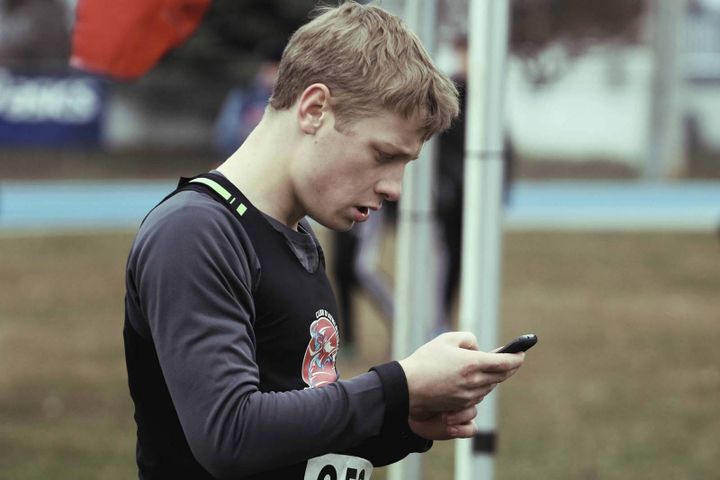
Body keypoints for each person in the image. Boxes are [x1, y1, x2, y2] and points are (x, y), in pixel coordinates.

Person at [123, 3, 526, 479]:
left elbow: (301, 422)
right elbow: (230, 434)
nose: (394, 188)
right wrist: (397, 386)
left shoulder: (298, 235)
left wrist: (403, 420)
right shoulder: (195, 232)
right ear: (314, 109)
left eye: (405, 165)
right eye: (383, 155)